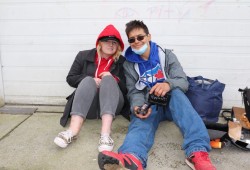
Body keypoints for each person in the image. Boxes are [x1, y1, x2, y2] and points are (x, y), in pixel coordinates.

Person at [98, 20, 216, 170]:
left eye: (140, 37)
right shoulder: (129, 64)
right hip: (151, 102)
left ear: (148, 36)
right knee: (140, 118)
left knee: (178, 94)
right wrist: (137, 106)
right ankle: (132, 158)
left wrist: (167, 84)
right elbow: (134, 91)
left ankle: (197, 153)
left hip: (173, 101)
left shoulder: (166, 55)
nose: (136, 42)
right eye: (132, 40)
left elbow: (182, 81)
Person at [54, 24, 129, 152]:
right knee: (88, 79)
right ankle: (72, 131)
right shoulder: (83, 56)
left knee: (109, 79)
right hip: (88, 107)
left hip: (112, 106)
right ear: (99, 42)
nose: (111, 45)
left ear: (118, 46)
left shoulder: (122, 61)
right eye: (107, 41)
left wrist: (113, 78)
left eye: (114, 42)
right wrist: (92, 80)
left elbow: (127, 87)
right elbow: (71, 78)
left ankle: (105, 135)